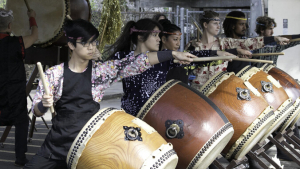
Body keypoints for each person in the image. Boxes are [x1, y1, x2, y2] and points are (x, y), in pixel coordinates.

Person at [24, 18, 194, 169]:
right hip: (56, 146)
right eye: (86, 43)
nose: (92, 48)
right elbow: (37, 112)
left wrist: (172, 54)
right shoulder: (54, 74)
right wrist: (43, 105)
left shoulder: (100, 72)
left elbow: (137, 61)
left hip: (89, 147)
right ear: (71, 45)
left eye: (94, 43)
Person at [111, 18, 233, 117]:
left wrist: (216, 53)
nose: (159, 39)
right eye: (155, 35)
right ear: (140, 37)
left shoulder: (164, 59)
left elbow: (194, 57)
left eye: (159, 36)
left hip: (155, 116)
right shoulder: (122, 57)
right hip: (131, 117)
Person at [185, 10, 289, 90]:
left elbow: (248, 43)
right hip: (199, 90)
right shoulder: (193, 45)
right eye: (215, 23)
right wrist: (191, 48)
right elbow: (185, 67)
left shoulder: (224, 43)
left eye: (219, 23)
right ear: (205, 25)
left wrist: (274, 39)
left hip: (219, 89)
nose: (218, 26)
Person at [0, 8, 38, 167]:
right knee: (22, 122)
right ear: (10, 26)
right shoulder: (17, 42)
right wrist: (32, 18)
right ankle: (20, 158)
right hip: (14, 94)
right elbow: (35, 36)